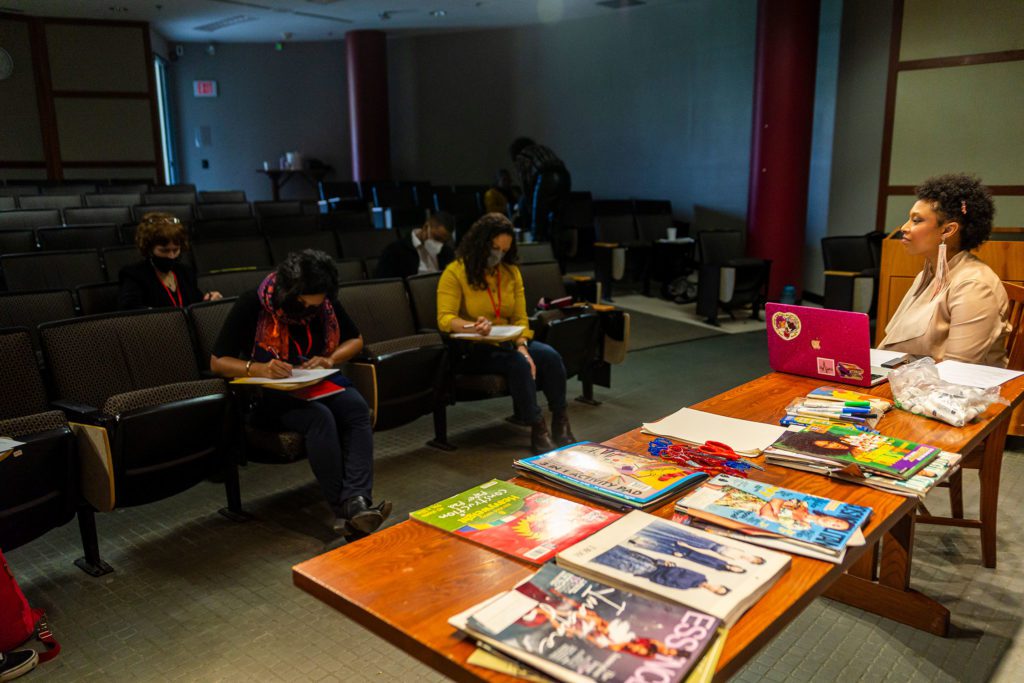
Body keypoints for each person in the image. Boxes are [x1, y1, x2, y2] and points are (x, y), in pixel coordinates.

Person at [209, 250, 391, 542]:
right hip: (269, 395)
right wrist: (260, 368)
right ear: (289, 293)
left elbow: (355, 339)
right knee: (320, 418)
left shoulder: (323, 303)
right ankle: (345, 510)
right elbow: (217, 362)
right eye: (305, 303)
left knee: (356, 406)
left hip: (313, 382)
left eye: (316, 304)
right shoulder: (252, 304)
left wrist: (329, 360)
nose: (310, 310)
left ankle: (356, 500)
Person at [437, 213, 574, 454]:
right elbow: (445, 319)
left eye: (504, 250)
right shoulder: (455, 272)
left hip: (509, 342)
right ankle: (537, 426)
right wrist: (471, 326)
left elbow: (520, 319)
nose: (497, 255)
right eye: (494, 247)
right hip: (474, 347)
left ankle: (560, 419)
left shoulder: (510, 273)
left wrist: (522, 345)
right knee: (518, 364)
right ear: (480, 242)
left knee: (550, 356)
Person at [878, 173, 1010, 366]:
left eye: (916, 220)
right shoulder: (926, 274)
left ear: (948, 231)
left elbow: (957, 370)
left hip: (957, 391)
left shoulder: (974, 286)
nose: (904, 228)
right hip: (911, 380)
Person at [117, 212, 222, 309]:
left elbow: (196, 304)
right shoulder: (134, 275)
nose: (171, 256)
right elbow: (130, 309)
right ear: (149, 249)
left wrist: (209, 300)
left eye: (176, 250)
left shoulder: (186, 272)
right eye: (164, 251)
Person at [509, 137, 572, 270]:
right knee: (556, 223)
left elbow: (526, 185)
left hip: (546, 178)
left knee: (538, 226)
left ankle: (540, 264)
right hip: (564, 177)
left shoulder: (522, 155)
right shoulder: (542, 149)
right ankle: (560, 266)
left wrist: (528, 210)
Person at [592, 545, 730, 595]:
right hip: (653, 563)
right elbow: (679, 568)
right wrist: (664, 565)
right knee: (621, 551)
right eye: (718, 588)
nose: (713, 588)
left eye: (715, 592)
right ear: (718, 585)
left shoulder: (686, 587)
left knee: (610, 560)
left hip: (646, 572)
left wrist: (652, 575)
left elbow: (662, 582)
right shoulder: (700, 576)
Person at [373, 211, 456, 280]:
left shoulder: (446, 252)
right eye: (436, 238)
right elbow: (383, 284)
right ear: (426, 227)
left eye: (444, 241)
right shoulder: (395, 251)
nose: (439, 244)